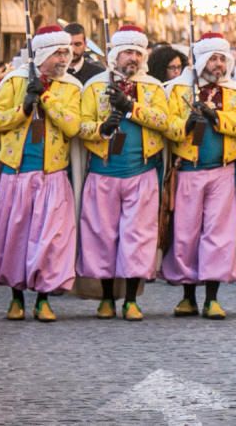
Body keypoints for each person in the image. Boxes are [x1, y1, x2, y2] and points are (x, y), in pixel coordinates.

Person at [0, 26, 82, 321]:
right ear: (44, 54)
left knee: (50, 239)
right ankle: (16, 297)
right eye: (58, 52)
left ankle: (44, 298)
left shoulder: (71, 87)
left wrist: (46, 100)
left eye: (66, 52)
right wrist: (23, 108)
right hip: (16, 173)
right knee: (15, 237)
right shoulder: (14, 81)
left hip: (53, 175)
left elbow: (73, 125)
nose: (63, 58)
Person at [78, 25, 169, 321]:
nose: (132, 58)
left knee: (137, 237)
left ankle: (131, 298)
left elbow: (164, 122)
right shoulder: (94, 86)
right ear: (115, 55)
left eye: (137, 53)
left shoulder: (154, 88)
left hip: (140, 172)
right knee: (102, 236)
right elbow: (81, 125)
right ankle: (106, 297)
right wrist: (101, 128)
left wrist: (131, 107)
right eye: (127, 52)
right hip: (103, 172)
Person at [163, 33, 236, 319]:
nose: (217, 65)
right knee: (186, 233)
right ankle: (187, 295)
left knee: (219, 234)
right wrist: (188, 122)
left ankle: (212, 297)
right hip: (189, 169)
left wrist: (216, 118)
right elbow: (168, 126)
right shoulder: (179, 91)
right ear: (201, 60)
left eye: (221, 59)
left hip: (222, 171)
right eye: (212, 59)